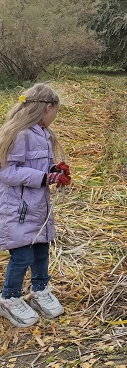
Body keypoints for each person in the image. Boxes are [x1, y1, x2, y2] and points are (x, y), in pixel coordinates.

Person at [0, 83, 70, 327]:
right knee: (22, 255)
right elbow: (8, 172)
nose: (54, 117)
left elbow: (37, 169)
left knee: (41, 249)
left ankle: (40, 290)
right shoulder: (19, 134)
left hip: (38, 207)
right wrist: (44, 178)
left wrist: (54, 171)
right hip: (17, 210)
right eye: (55, 112)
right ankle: (9, 297)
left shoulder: (43, 133)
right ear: (46, 108)